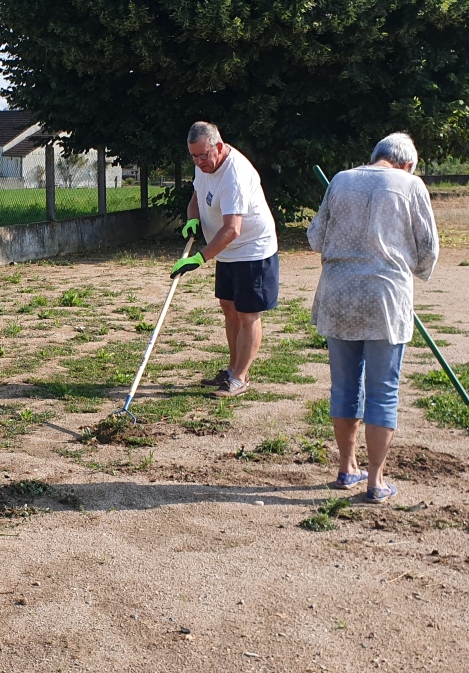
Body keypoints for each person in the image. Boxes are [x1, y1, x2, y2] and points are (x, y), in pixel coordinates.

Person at [307, 132, 439, 503]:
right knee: (383, 391)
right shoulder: (411, 185)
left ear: (375, 156)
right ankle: (375, 480)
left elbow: (316, 237)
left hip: (338, 295)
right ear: (408, 163)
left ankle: (347, 467)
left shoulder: (342, 179)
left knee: (345, 387)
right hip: (385, 297)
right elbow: (428, 248)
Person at [171, 121, 279, 398]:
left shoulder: (235, 175)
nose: (199, 161)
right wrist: (193, 221)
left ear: (218, 147)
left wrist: (199, 258)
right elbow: (196, 198)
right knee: (228, 307)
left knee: (247, 313)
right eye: (193, 156)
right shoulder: (202, 163)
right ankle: (231, 370)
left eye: (203, 155)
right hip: (227, 250)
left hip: (252, 249)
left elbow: (233, 229)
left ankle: (240, 378)